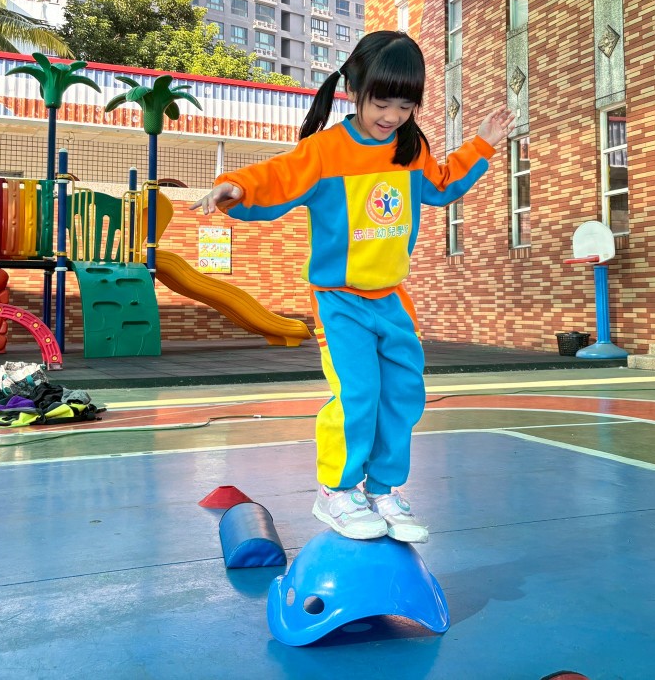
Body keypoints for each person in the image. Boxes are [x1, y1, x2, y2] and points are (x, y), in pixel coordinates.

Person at [193, 30, 514, 543]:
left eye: (405, 106)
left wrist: (482, 144)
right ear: (354, 90)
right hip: (340, 301)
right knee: (358, 393)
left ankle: (383, 490)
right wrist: (237, 187)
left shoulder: (410, 148)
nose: (392, 115)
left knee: (403, 394)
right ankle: (337, 491)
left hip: (392, 299)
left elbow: (440, 185)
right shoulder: (325, 151)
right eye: (381, 103)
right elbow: (278, 176)